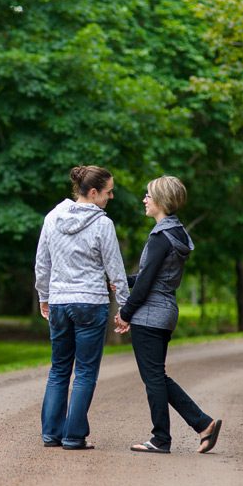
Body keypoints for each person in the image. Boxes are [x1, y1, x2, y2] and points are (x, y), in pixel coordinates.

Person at [114, 175, 222, 454]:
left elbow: (147, 281)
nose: (144, 200)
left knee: (153, 379)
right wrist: (120, 280)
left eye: (148, 195)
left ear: (161, 201)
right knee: (157, 376)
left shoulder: (160, 237)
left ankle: (161, 439)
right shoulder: (177, 234)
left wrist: (125, 313)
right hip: (165, 312)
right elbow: (149, 277)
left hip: (150, 314)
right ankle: (203, 424)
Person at [35, 165, 130, 450]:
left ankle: (51, 433)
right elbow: (115, 269)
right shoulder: (102, 225)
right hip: (90, 303)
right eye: (108, 192)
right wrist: (125, 307)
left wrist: (44, 296)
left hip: (61, 302)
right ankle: (74, 436)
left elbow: (42, 263)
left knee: (59, 369)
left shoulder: (52, 218)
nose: (111, 197)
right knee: (86, 372)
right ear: (93, 192)